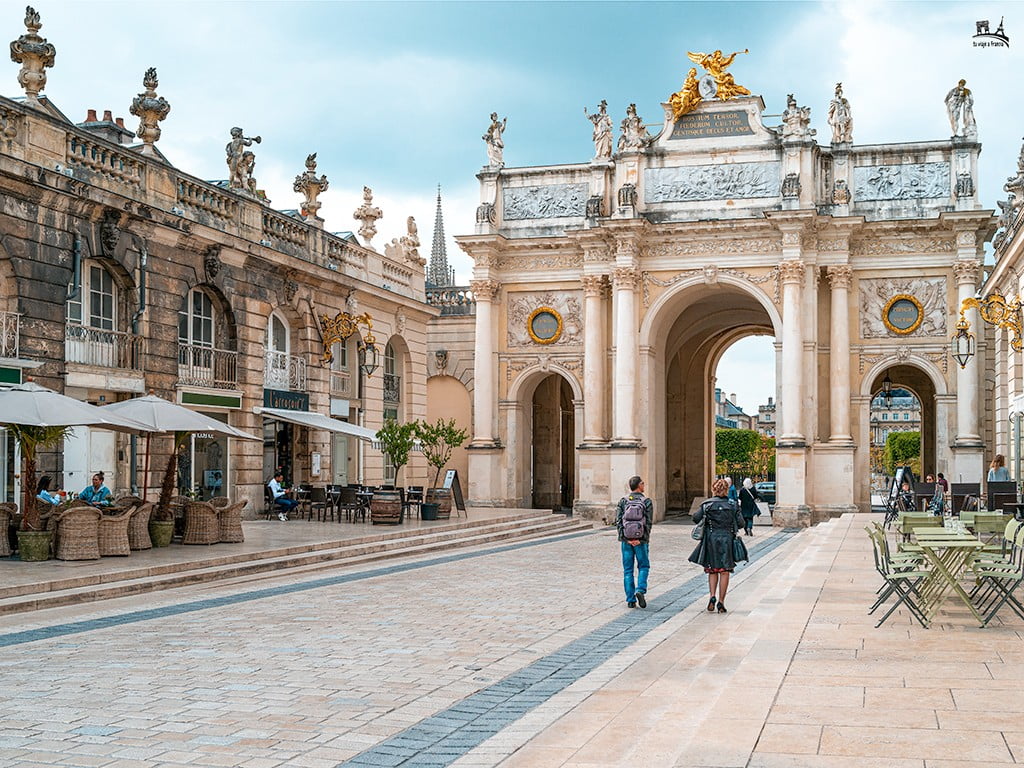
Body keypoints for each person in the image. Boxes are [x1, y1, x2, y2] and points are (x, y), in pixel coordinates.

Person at [689, 478, 746, 614]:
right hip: (727, 539)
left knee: (712, 570)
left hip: (711, 539)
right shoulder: (733, 505)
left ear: (713, 489)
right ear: (726, 489)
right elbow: (742, 523)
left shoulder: (707, 504)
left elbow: (695, 518)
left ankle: (712, 596)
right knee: (725, 571)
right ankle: (721, 602)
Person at [615, 475, 653, 609]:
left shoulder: (623, 501)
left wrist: (626, 539)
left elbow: (619, 522)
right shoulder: (647, 501)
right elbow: (648, 523)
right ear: (639, 485)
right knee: (643, 566)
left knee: (628, 570)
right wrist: (641, 539)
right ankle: (640, 590)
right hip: (641, 542)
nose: (644, 485)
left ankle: (630, 600)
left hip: (626, 542)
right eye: (643, 483)